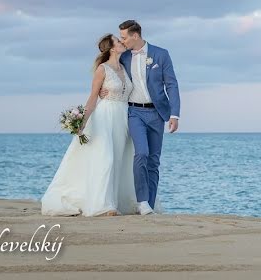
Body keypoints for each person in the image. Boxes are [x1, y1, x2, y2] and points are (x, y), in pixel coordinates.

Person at [41, 33, 156, 216]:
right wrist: (82, 123)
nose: (122, 42)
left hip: (123, 119)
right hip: (106, 117)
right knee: (107, 158)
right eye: (118, 41)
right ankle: (105, 205)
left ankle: (119, 201)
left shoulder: (124, 66)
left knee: (121, 159)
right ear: (112, 48)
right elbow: (93, 98)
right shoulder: (102, 70)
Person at [99, 19, 180, 215]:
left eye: (125, 37)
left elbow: (171, 84)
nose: (122, 41)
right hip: (134, 112)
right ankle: (141, 201)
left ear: (136, 35)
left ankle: (149, 205)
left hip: (157, 113)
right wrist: (104, 90)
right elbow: (108, 70)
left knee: (154, 160)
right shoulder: (124, 56)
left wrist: (174, 114)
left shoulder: (161, 54)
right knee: (141, 153)